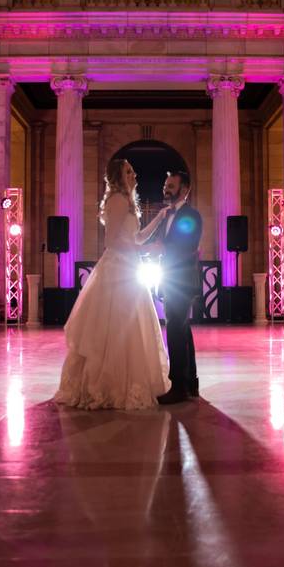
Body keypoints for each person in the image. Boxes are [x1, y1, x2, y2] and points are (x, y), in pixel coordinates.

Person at [53, 159, 172, 410]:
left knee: (128, 327)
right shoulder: (117, 200)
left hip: (128, 266)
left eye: (132, 169)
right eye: (128, 171)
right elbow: (110, 241)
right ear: (118, 176)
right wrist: (142, 251)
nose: (134, 173)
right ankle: (106, 385)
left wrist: (158, 220)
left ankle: (124, 381)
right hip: (118, 269)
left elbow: (136, 237)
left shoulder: (127, 202)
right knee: (115, 326)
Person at [147, 171, 204, 405]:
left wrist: (162, 248)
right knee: (182, 330)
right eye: (165, 184)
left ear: (185, 189)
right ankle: (190, 383)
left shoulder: (191, 215)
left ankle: (178, 387)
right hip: (171, 279)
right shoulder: (168, 214)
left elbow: (188, 246)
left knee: (175, 331)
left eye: (171, 185)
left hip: (182, 280)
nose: (166, 188)